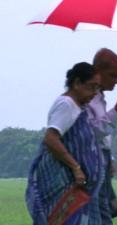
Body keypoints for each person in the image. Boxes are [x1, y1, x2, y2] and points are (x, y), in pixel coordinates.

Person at [25, 62, 104, 225]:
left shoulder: (78, 107)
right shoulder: (66, 105)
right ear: (76, 83)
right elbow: (51, 138)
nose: (94, 93)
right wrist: (76, 168)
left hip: (76, 188)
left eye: (97, 88)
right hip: (64, 184)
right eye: (91, 87)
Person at [88, 48, 117, 223]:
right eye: (113, 75)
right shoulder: (88, 97)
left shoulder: (99, 98)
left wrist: (109, 157)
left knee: (103, 208)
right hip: (93, 162)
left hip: (102, 160)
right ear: (98, 73)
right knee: (100, 211)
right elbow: (92, 132)